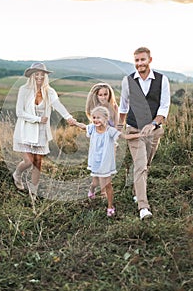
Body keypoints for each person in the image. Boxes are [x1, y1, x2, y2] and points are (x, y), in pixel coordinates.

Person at [119, 47, 170, 220]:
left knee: (145, 164)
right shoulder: (127, 81)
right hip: (134, 130)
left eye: (142, 60)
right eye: (137, 61)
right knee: (140, 165)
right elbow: (123, 106)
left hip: (154, 131)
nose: (139, 64)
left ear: (150, 60)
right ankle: (143, 207)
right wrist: (119, 128)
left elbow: (164, 107)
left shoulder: (162, 80)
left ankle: (136, 189)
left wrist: (154, 124)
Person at [12, 62, 76, 199]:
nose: (40, 77)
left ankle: (33, 193)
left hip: (41, 132)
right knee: (28, 162)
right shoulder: (24, 90)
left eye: (42, 74)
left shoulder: (49, 91)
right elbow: (19, 112)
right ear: (32, 75)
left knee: (37, 163)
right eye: (37, 74)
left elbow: (57, 105)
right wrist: (37, 119)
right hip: (25, 130)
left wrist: (69, 117)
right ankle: (17, 174)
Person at [74, 106, 141, 217]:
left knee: (107, 185)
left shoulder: (110, 131)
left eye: (98, 118)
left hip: (106, 163)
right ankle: (92, 189)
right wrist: (75, 122)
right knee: (96, 183)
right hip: (95, 161)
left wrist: (140, 134)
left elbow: (125, 136)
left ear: (105, 118)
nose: (95, 120)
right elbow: (83, 126)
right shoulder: (92, 128)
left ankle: (110, 206)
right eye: (94, 117)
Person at [85, 82, 119, 197]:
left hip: (110, 142)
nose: (103, 97)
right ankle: (94, 187)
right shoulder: (96, 109)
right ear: (96, 96)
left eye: (106, 94)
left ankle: (104, 191)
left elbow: (116, 125)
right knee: (98, 169)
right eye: (100, 95)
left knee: (107, 168)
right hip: (98, 143)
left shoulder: (114, 107)